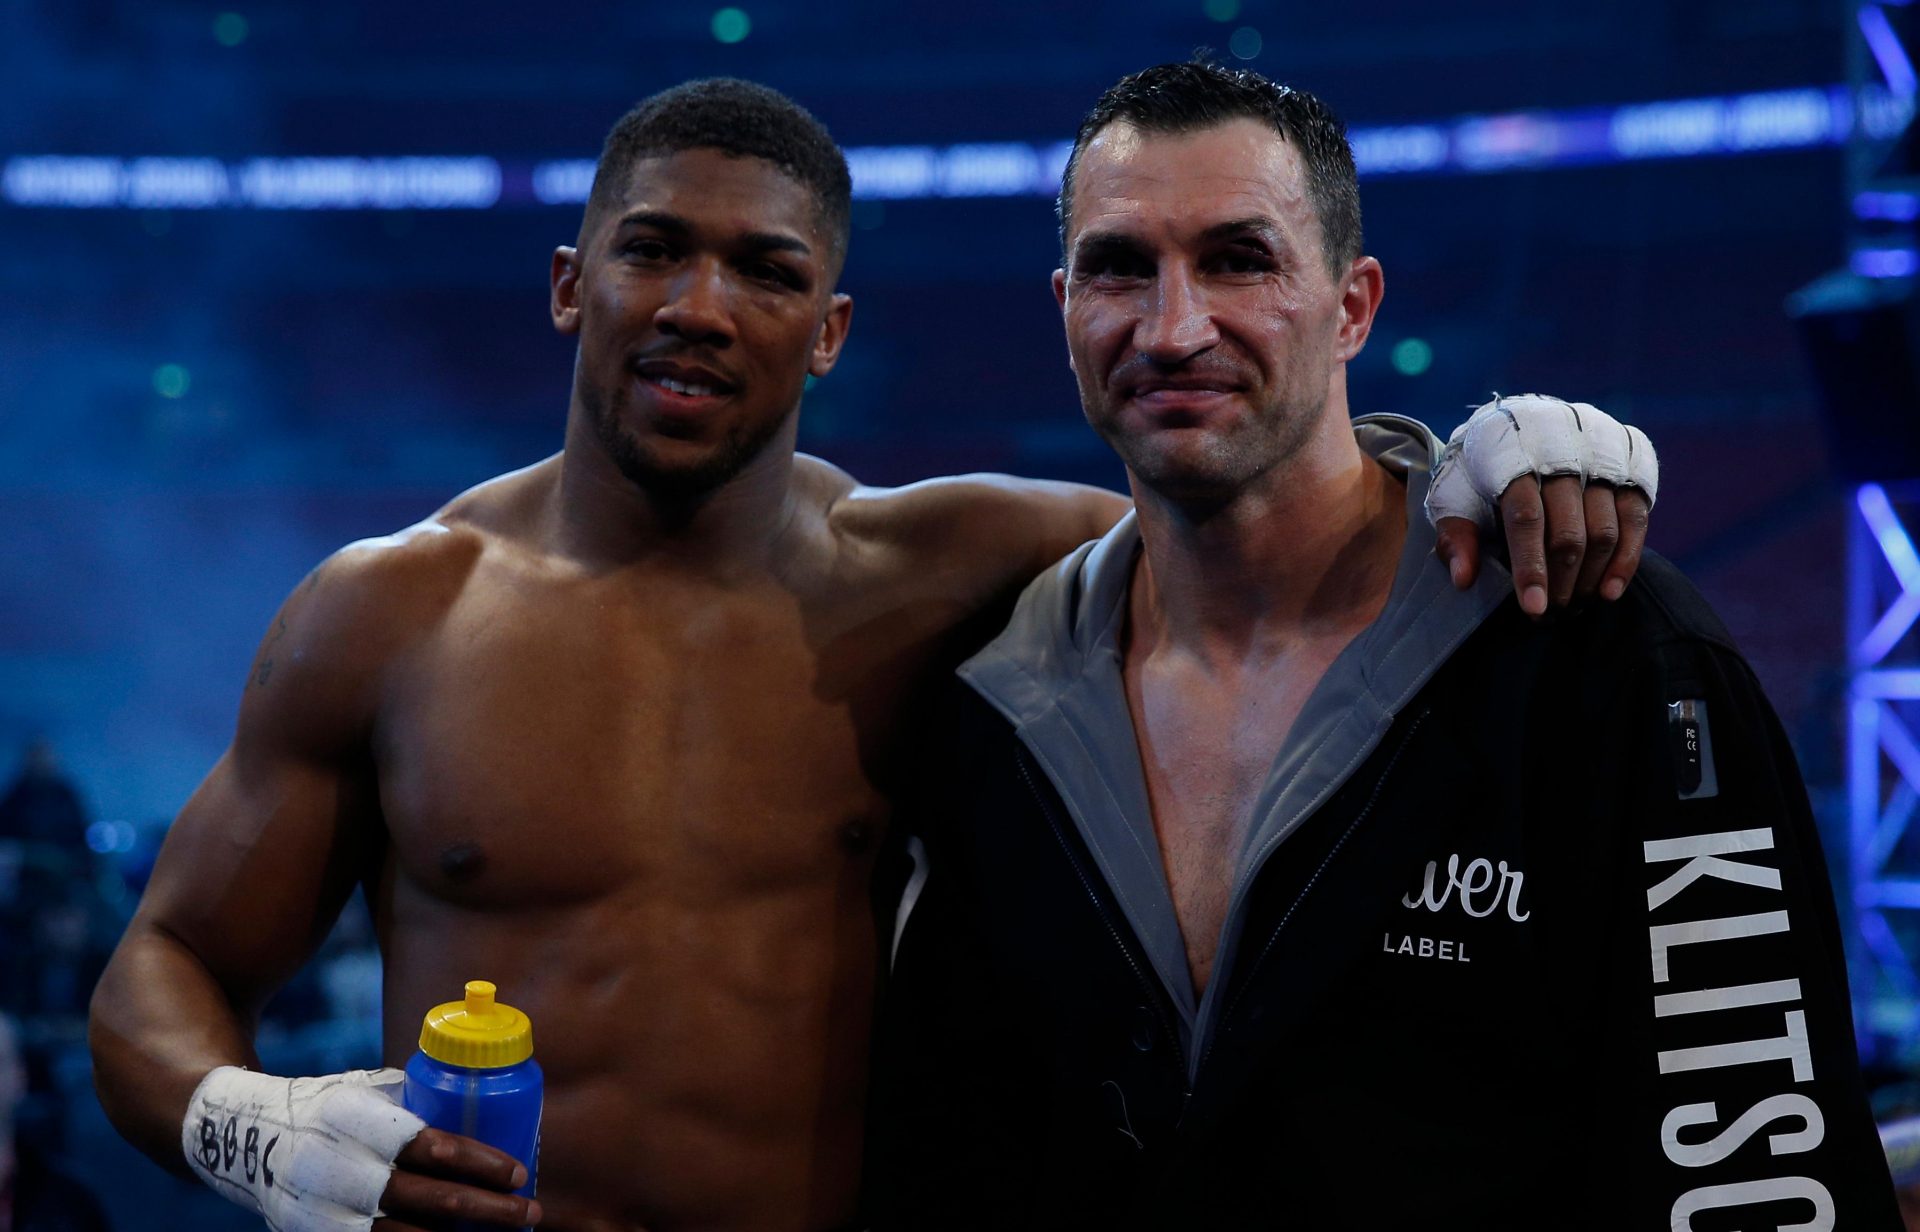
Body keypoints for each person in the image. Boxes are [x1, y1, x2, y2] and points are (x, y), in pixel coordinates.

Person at [88, 78, 1650, 1232]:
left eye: (767, 271)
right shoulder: (389, 614)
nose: (701, 307)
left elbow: (1265, 503)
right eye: (653, 250)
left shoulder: (948, 571)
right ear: (572, 285)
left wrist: (1494, 456)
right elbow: (165, 969)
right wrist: (248, 1126)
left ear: (828, 330)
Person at [866, 61, 1901, 1229]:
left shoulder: (1608, 653)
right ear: (1066, 309)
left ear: (1353, 306)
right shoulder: (993, 712)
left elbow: (1763, 1178)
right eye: (1120, 267)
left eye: (1238, 259)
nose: (1173, 326)